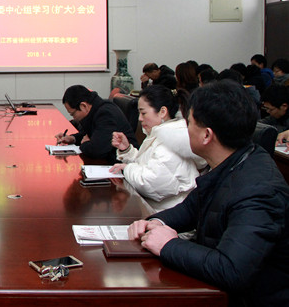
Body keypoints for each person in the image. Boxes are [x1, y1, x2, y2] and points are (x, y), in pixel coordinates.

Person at [128, 80, 289, 306]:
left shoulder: (259, 191)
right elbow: (190, 208)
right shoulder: (231, 162)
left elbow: (231, 269)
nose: (185, 130)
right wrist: (154, 222)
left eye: (189, 123)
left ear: (206, 135)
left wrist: (168, 245)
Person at [110, 86, 206, 210]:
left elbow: (149, 183)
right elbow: (147, 165)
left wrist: (127, 168)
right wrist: (127, 149)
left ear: (162, 112)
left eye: (143, 113)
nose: (139, 118)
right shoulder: (164, 134)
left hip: (167, 214)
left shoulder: (172, 141)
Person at [56, 85, 137, 164]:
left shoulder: (105, 114)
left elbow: (96, 150)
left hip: (123, 163)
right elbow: (89, 135)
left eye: (73, 114)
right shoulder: (95, 108)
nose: (74, 118)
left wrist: (83, 144)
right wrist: (73, 138)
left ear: (83, 106)